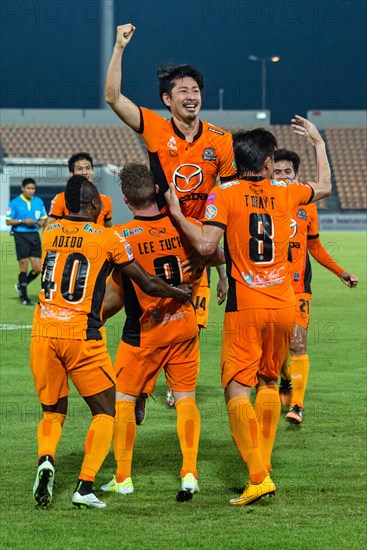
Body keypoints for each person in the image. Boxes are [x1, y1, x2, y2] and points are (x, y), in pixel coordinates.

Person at [164, 116, 331, 506]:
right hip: (285, 304)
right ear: (269, 164)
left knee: (236, 387)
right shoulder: (286, 191)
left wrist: (176, 212)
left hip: (246, 307)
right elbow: (323, 186)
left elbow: (206, 247)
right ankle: (264, 464)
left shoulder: (224, 193)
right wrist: (319, 144)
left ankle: (257, 475)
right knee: (270, 382)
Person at [30, 175, 191, 509]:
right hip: (80, 334)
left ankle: (46, 458)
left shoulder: (49, 233)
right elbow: (146, 281)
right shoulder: (106, 238)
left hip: (43, 332)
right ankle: (85, 485)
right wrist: (178, 292)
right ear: (94, 205)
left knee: (52, 411)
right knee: (106, 411)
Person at [105, 23, 235, 409]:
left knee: (183, 322)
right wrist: (118, 47)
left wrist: (219, 260)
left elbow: (226, 198)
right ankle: (86, 340)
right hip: (156, 234)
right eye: (183, 91)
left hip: (198, 242)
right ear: (167, 99)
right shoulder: (155, 128)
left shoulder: (221, 140)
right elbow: (113, 96)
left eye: (196, 90)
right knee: (120, 302)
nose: (191, 96)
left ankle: (163, 385)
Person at [100, 162, 224, 500]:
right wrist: (202, 262)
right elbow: (216, 253)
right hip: (184, 327)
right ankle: (189, 474)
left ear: (125, 200)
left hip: (144, 333)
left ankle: (123, 477)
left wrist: (93, 318)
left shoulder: (121, 236)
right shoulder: (184, 225)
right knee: (185, 400)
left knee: (122, 401)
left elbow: (112, 293)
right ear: (158, 191)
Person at [273, 145, 358, 424]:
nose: (283, 176)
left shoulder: (306, 205)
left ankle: (297, 405)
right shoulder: (263, 201)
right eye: (277, 171)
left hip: (298, 287)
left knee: (298, 344)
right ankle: (285, 378)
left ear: (297, 175)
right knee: (277, 347)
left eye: (288, 171)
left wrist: (340, 272)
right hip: (268, 287)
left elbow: (315, 245)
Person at [5, 178, 47, 305]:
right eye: (28, 188)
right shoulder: (15, 202)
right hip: (20, 235)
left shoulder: (38, 202)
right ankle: (24, 297)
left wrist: (41, 223)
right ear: (22, 188)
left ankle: (20, 286)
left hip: (34, 235)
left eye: (33, 188)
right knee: (23, 264)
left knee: (38, 268)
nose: (31, 191)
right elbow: (8, 221)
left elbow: (44, 219)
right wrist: (22, 221)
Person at [47, 152, 113, 227]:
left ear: (93, 171)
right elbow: (48, 228)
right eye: (80, 169)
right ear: (71, 174)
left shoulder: (106, 200)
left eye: (88, 168)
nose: (85, 172)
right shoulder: (61, 198)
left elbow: (108, 229)